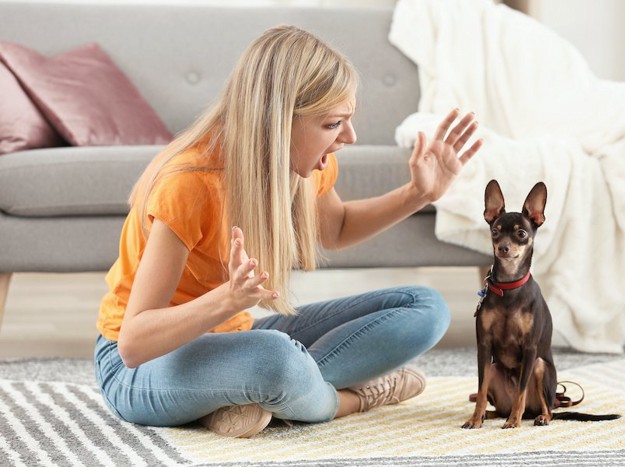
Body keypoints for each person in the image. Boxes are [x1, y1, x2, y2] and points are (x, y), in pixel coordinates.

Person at [94, 25, 483, 438]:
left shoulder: (303, 166)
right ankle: (343, 400)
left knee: (425, 308)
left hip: (235, 341)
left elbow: (337, 228)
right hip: (140, 368)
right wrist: (227, 299)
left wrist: (418, 193)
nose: (349, 137)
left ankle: (251, 397)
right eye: (333, 123)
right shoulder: (189, 184)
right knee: (274, 359)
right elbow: (134, 343)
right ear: (277, 122)